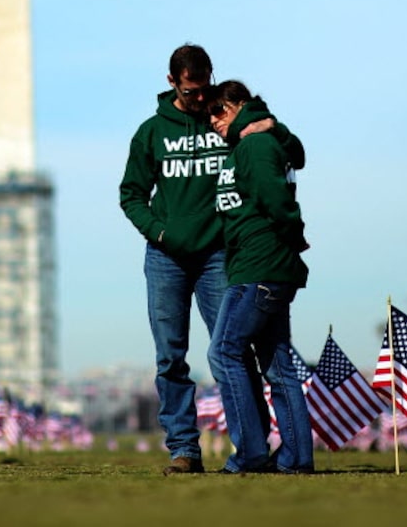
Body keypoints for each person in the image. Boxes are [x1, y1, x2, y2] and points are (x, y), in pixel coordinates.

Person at [119, 45, 305, 475]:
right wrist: (160, 231)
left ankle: (252, 449)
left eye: (204, 90)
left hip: (221, 257)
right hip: (166, 258)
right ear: (171, 84)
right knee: (171, 358)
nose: (200, 100)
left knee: (233, 354)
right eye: (190, 92)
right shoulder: (151, 133)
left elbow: (289, 153)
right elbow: (130, 194)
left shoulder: (227, 120)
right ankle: (184, 450)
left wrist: (272, 125)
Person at [205, 79, 313, 475]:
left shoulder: (255, 144)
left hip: (259, 267)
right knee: (278, 364)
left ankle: (250, 453)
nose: (213, 120)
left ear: (237, 105)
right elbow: (296, 156)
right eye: (209, 114)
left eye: (219, 110)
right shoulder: (253, 142)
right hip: (263, 266)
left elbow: (277, 200)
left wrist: (295, 237)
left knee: (224, 351)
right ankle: (298, 458)